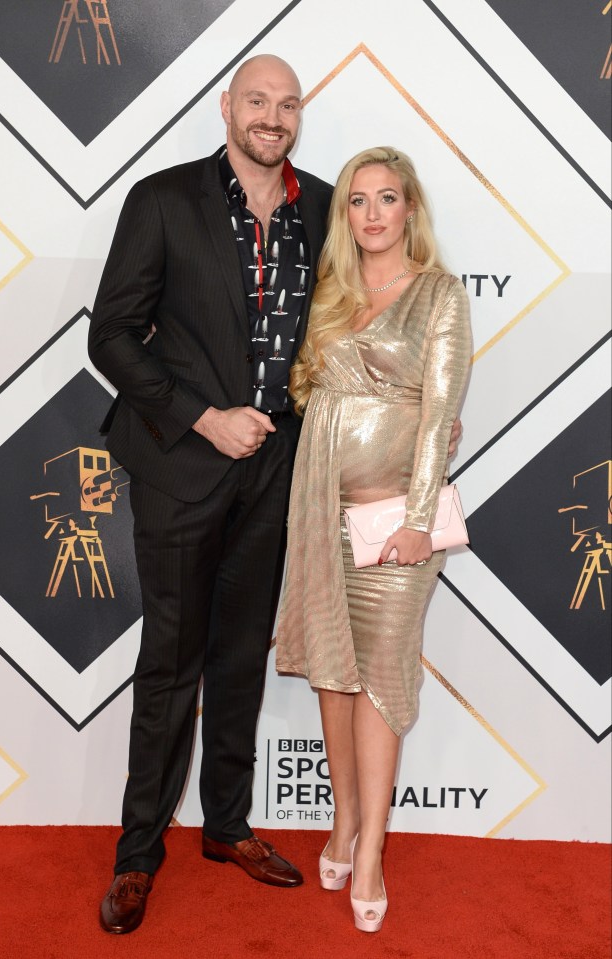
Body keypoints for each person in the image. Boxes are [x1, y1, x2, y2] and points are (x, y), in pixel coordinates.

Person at [88, 54, 333, 934]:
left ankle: (227, 826)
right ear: (226, 107)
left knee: (239, 658)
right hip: (183, 463)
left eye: (288, 103)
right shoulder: (161, 199)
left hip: (277, 467)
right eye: (257, 101)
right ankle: (137, 854)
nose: (272, 116)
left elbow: (353, 326)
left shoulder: (325, 206)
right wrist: (202, 417)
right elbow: (111, 335)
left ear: (301, 115)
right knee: (171, 662)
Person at [276, 147, 472, 934]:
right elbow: (300, 389)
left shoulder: (440, 296)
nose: (373, 214)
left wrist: (419, 519)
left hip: (398, 524)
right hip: (323, 511)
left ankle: (372, 854)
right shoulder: (328, 294)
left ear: (410, 209)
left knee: (381, 684)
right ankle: (344, 820)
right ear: (345, 216)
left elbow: (438, 414)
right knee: (333, 675)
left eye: (388, 198)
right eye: (357, 201)